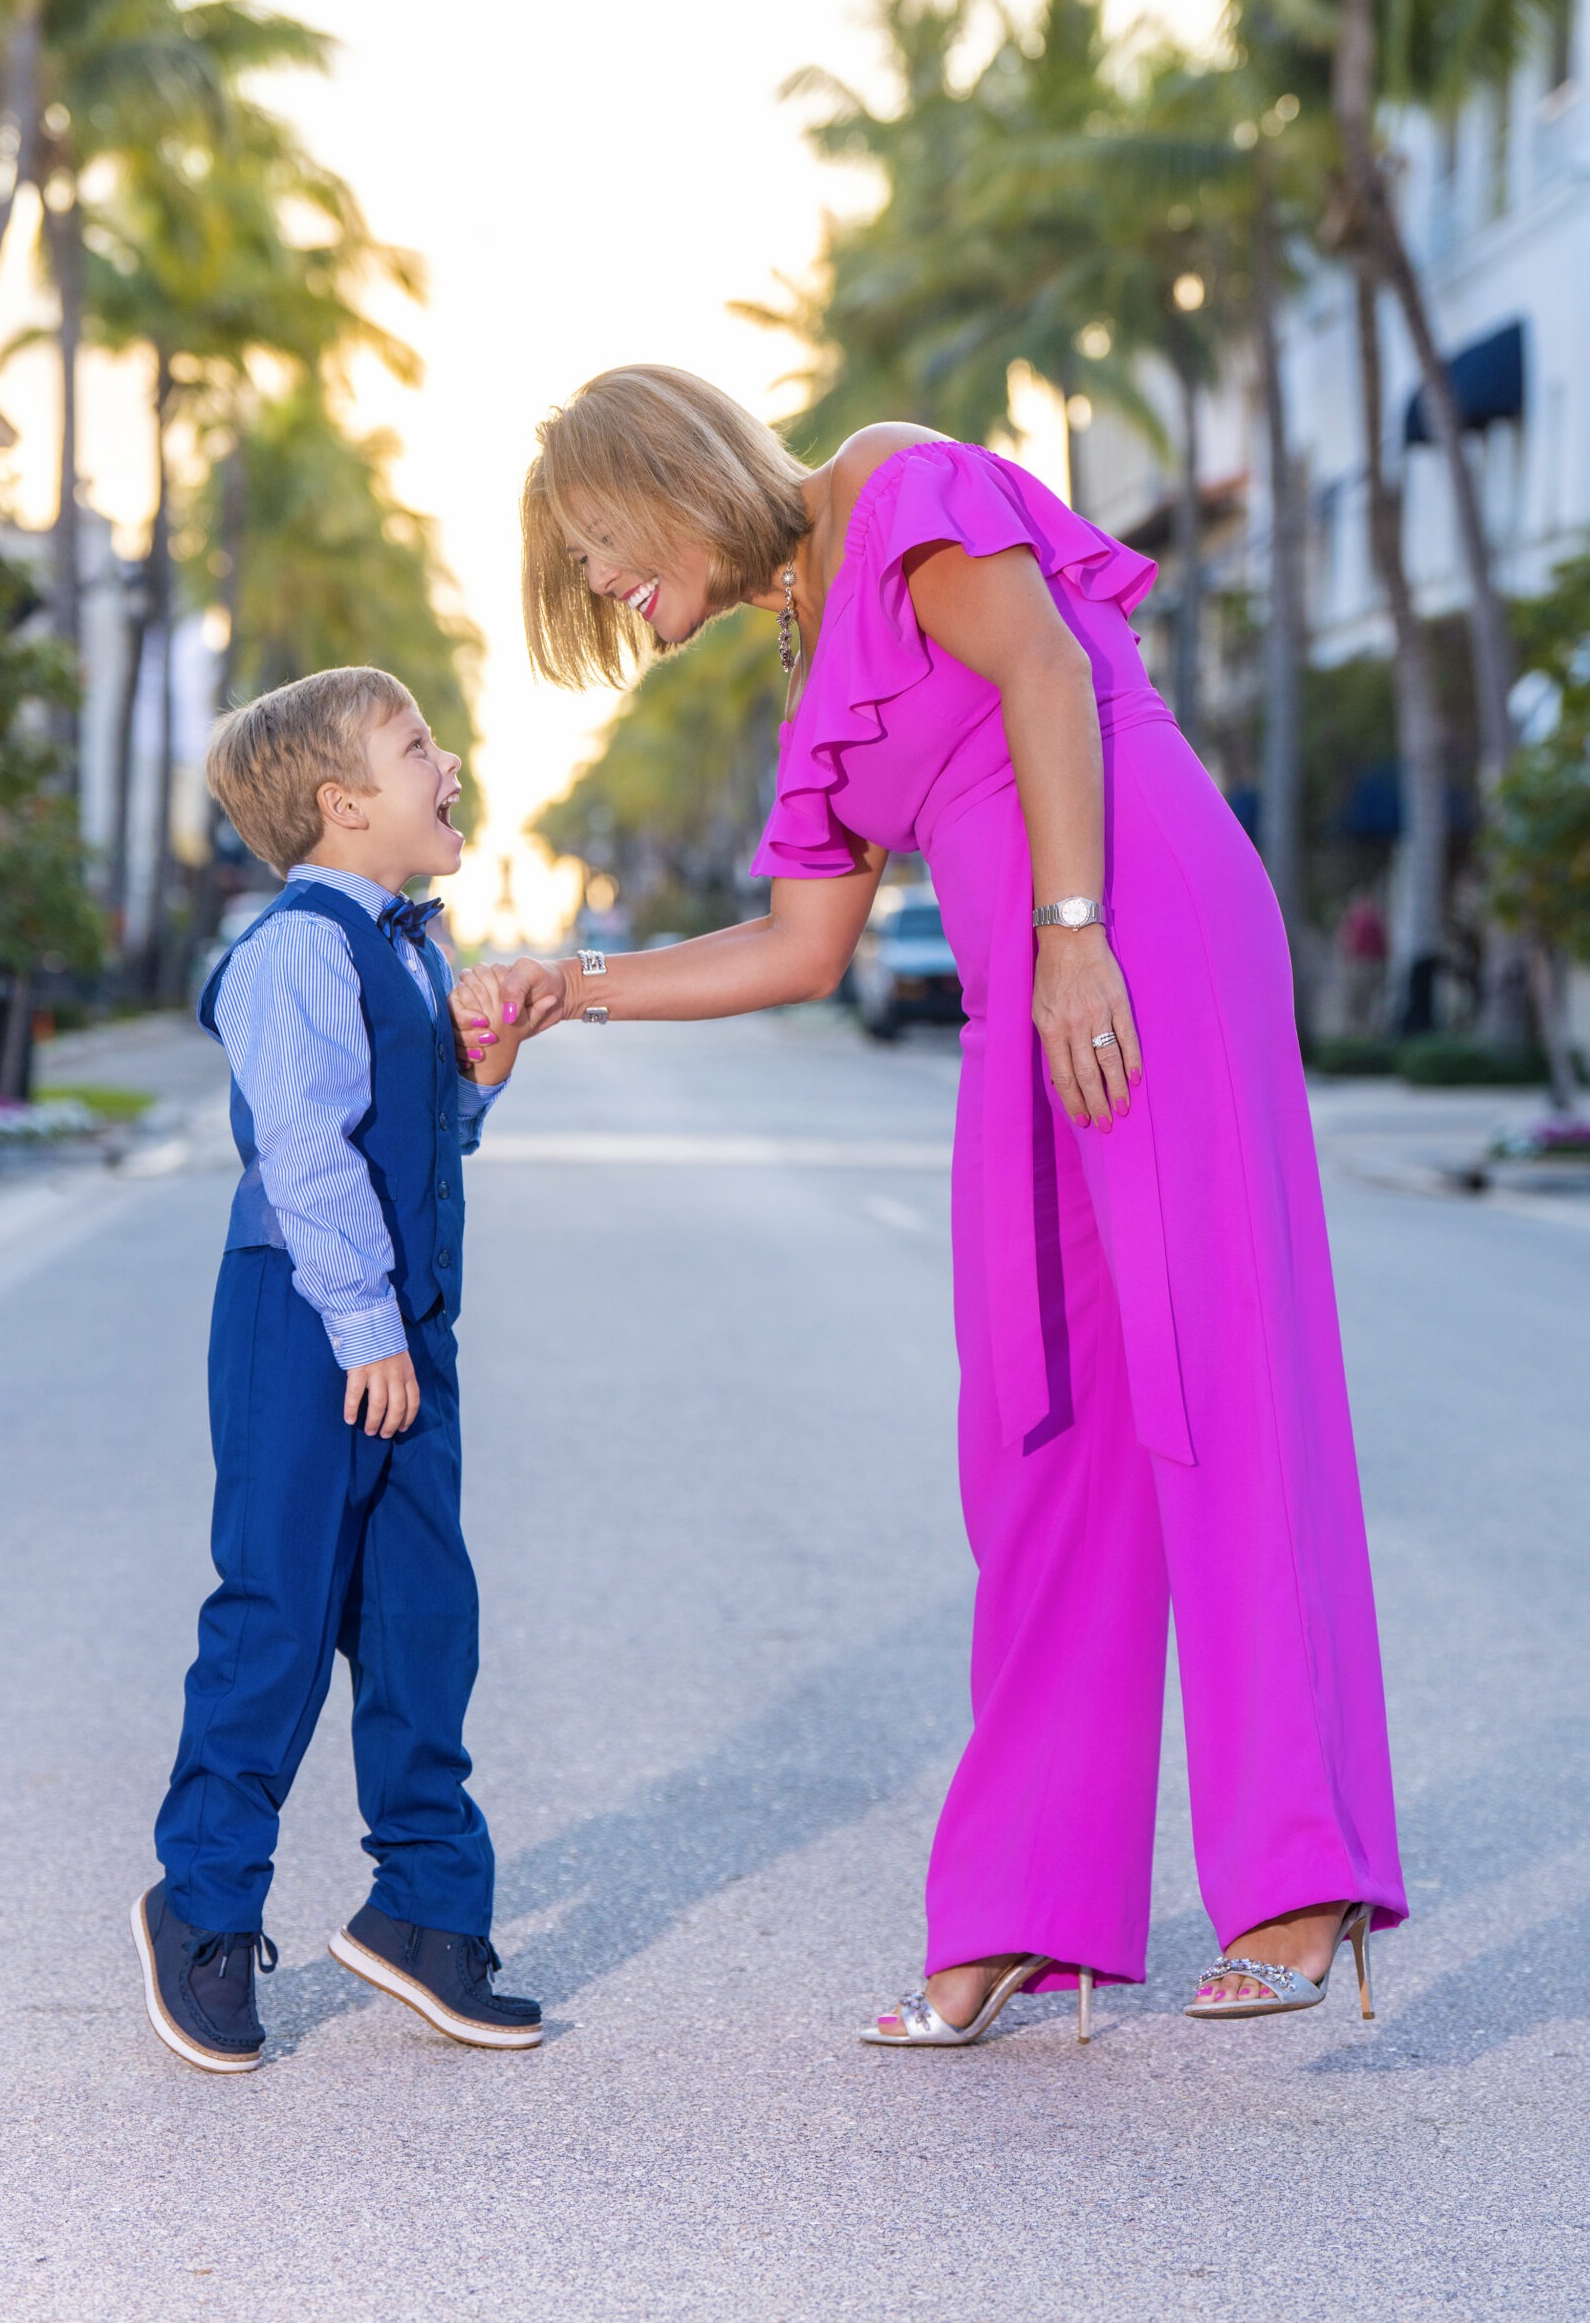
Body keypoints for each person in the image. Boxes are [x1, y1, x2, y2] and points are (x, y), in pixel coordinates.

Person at [457, 366, 1407, 2047]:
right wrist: (569, 985)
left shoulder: (894, 486)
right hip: (1015, 998)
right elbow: (798, 948)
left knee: (1210, 1380)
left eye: (602, 542)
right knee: (1037, 1437)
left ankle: (1299, 1870)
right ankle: (1028, 1907)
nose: (601, 582)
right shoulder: (806, 656)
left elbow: (1043, 668)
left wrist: (1071, 934)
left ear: (674, 476)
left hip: (1138, 930)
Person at [133, 667, 541, 2072]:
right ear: (342, 804)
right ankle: (203, 1906)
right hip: (308, 1325)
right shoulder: (298, 949)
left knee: (425, 1618)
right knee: (280, 1616)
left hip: (403, 1330)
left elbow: (418, 1141)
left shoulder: (411, 947)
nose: (449, 762)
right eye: (416, 745)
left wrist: (478, 1072)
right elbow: (303, 1150)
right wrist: (364, 1324)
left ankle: (425, 1908)